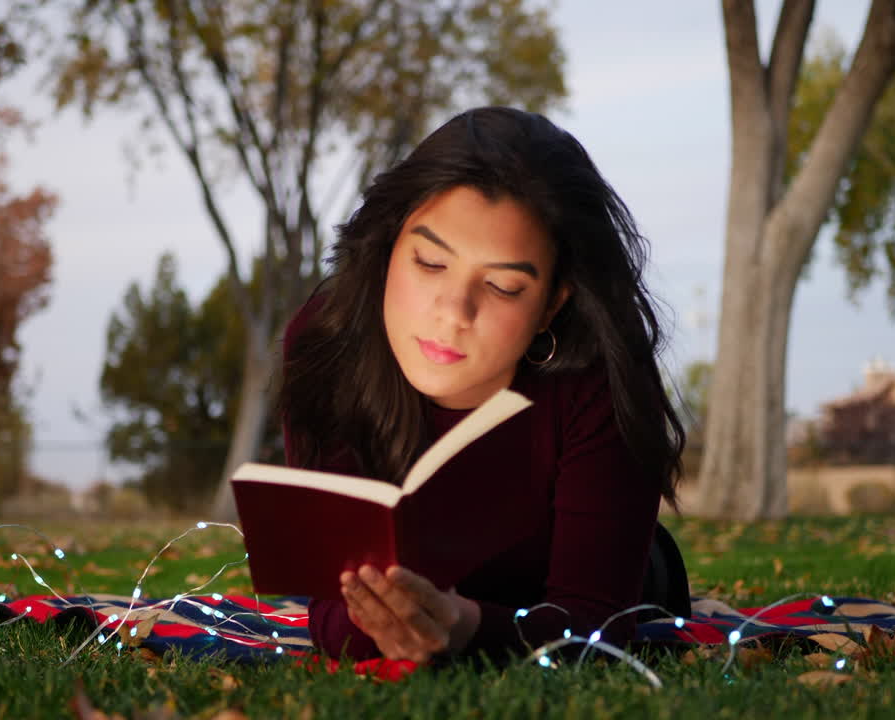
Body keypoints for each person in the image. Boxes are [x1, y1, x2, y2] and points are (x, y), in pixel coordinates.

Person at [278, 107, 689, 665]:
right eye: (429, 262)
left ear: (552, 303)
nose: (454, 312)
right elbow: (328, 604)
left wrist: (468, 629)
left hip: (584, 585)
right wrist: (375, 623)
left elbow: (597, 626)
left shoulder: (600, 376)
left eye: (501, 285)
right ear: (388, 247)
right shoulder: (328, 342)